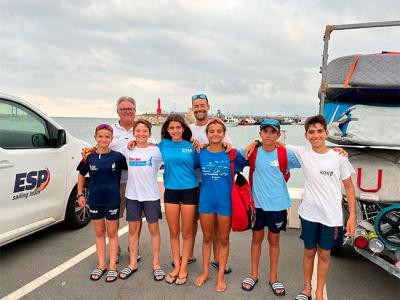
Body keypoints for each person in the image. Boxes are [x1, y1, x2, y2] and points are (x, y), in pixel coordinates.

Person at [240, 119, 300, 296]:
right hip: (257, 205)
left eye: (272, 132)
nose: (268, 135)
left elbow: (311, 156)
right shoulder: (252, 152)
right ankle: (253, 274)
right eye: (264, 131)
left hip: (277, 206)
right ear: (260, 134)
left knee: (274, 242)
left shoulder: (285, 154)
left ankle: (273, 277)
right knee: (256, 240)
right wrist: (255, 143)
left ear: (278, 135)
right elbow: (229, 151)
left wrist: (336, 151)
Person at [194, 119, 246, 292]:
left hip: (226, 203)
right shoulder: (200, 153)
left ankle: (221, 276)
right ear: (207, 134)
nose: (215, 134)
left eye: (219, 131)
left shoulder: (232, 154)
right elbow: (182, 158)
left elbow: (252, 155)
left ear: (224, 134)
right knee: (207, 238)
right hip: (206, 201)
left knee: (224, 239)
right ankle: (205, 272)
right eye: (212, 131)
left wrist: (256, 141)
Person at [188, 93, 233, 274]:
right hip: (193, 182)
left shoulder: (217, 128)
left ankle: (218, 259)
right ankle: (189, 254)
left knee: (215, 224)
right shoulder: (188, 129)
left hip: (212, 182)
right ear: (193, 108)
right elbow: (177, 146)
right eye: (196, 106)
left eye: (202, 105)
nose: (199, 108)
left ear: (208, 106)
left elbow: (227, 149)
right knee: (192, 222)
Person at [77, 124, 127, 283]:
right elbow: (81, 174)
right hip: (95, 200)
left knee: (112, 233)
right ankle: (101, 264)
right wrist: (80, 194)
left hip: (112, 200)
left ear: (112, 139)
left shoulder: (118, 157)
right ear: (95, 137)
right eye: (101, 136)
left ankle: (112, 266)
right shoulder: (88, 156)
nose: (104, 139)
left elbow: (133, 166)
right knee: (99, 233)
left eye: (107, 137)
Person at [117, 120, 165, 282]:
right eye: (138, 131)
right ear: (133, 133)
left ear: (150, 133)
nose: (141, 134)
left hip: (151, 196)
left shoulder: (157, 150)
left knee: (154, 230)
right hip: (132, 196)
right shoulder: (127, 150)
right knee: (133, 229)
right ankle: (132, 263)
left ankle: (156, 264)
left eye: (145, 131)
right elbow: (108, 149)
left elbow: (174, 153)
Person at [159, 114, 199, 285]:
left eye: (178, 127)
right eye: (171, 128)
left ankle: (184, 267)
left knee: (187, 232)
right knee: (174, 232)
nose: (175, 130)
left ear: (183, 129)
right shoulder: (162, 145)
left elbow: (205, 159)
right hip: (171, 192)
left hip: (190, 190)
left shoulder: (192, 146)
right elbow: (144, 148)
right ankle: (176, 265)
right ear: (167, 130)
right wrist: (132, 143)